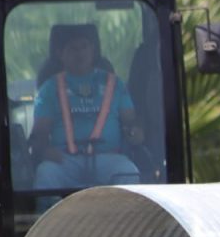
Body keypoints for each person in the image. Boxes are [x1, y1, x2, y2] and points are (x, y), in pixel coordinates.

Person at [30, 24, 142, 208]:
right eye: (73, 48)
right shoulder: (49, 89)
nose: (79, 53)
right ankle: (46, 224)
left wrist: (135, 132)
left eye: (84, 46)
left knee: (128, 171)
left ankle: (128, 222)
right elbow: (40, 132)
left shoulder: (115, 84)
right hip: (65, 160)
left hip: (108, 157)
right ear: (60, 54)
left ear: (93, 50)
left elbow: (130, 121)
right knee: (45, 174)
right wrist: (45, 151)